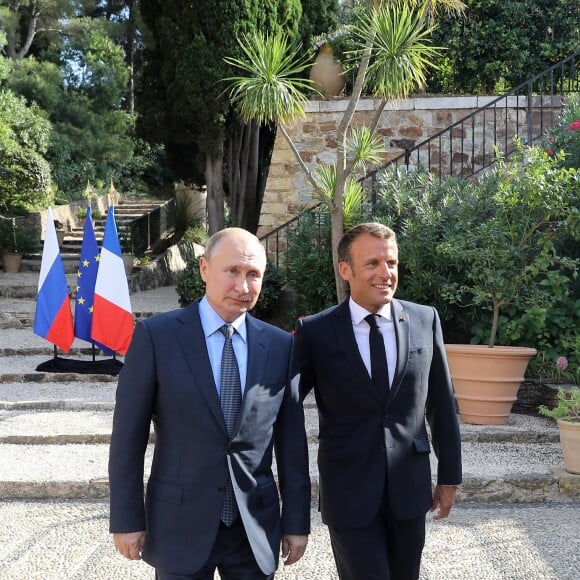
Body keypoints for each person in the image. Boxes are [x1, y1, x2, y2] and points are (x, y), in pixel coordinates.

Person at [109, 227, 311, 580]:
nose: (243, 286)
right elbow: (128, 438)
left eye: (253, 275)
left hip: (253, 530)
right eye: (231, 271)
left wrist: (296, 521)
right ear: (204, 269)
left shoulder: (281, 347)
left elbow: (292, 444)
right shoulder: (157, 337)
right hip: (178, 524)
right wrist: (126, 519)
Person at [294, 222, 462, 580]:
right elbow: (285, 407)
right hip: (349, 492)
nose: (385, 273)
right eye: (372, 264)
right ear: (345, 270)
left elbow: (441, 405)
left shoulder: (424, 319)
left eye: (392, 263)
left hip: (409, 491)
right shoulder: (316, 332)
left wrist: (450, 477)